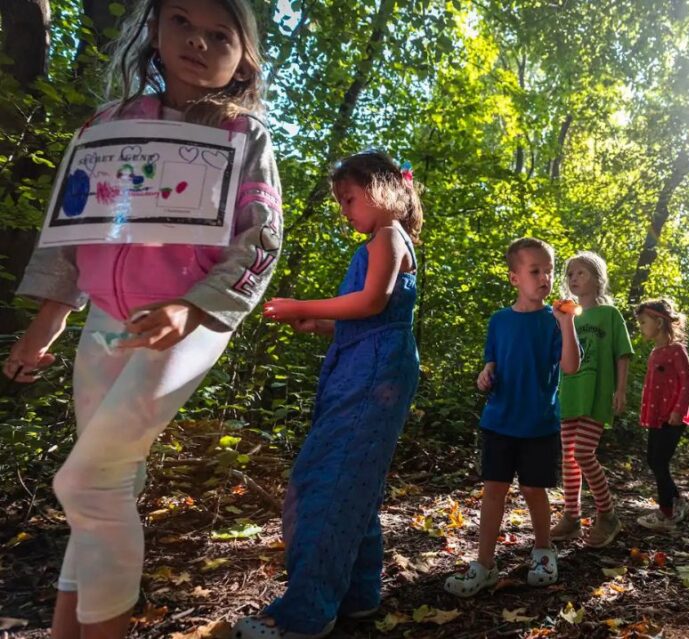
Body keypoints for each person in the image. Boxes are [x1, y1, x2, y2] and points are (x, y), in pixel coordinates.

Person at [2, 1, 280, 636]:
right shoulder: (108, 124)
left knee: (87, 484)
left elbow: (260, 240)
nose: (198, 43)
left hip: (190, 324)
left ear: (243, 57)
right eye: (182, 22)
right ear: (154, 30)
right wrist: (44, 326)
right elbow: (76, 233)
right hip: (104, 321)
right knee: (103, 491)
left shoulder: (244, 135)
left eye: (220, 35)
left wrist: (195, 307)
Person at [233, 151, 423, 639]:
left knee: (327, 477)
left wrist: (302, 302)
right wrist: (316, 323)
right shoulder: (382, 239)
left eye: (349, 198)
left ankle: (306, 612)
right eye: (341, 202)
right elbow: (368, 318)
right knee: (353, 478)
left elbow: (371, 301)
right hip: (367, 365)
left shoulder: (387, 235)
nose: (345, 210)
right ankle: (358, 595)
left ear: (383, 190)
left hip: (374, 375)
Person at [444, 238, 580, 597]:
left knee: (535, 490)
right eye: (535, 271)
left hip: (539, 424)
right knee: (493, 491)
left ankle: (543, 551)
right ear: (514, 278)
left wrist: (566, 324)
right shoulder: (499, 321)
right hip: (499, 421)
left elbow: (571, 365)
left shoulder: (555, 321)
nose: (545, 278)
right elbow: (492, 361)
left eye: (549, 271)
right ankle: (484, 564)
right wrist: (485, 373)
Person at [550, 251, 632, 547]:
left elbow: (623, 354)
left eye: (581, 273)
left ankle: (607, 514)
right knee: (569, 460)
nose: (573, 279)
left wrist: (620, 390)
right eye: (570, 274)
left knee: (583, 453)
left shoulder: (610, 315)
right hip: (569, 393)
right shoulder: (566, 314)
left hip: (596, 395)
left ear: (598, 278)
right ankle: (571, 517)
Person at [634, 298, 689, 532]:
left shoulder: (676, 351)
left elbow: (687, 384)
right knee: (653, 460)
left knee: (659, 461)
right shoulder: (655, 352)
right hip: (656, 416)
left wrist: (679, 411)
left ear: (658, 323)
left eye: (643, 322)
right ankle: (677, 500)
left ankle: (666, 513)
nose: (641, 327)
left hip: (672, 418)